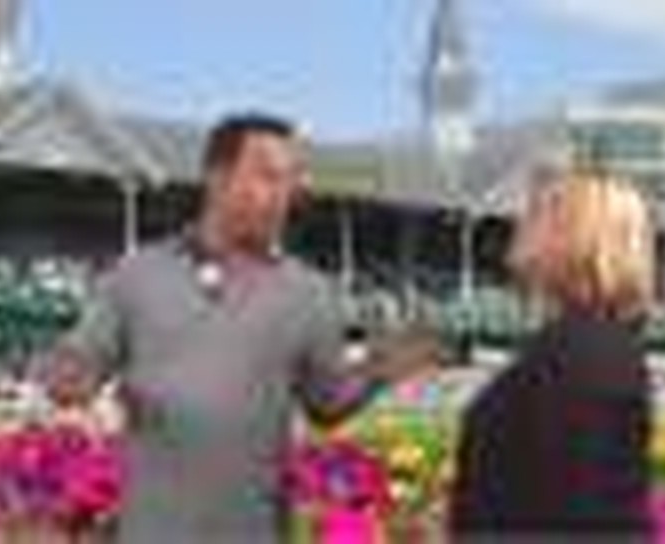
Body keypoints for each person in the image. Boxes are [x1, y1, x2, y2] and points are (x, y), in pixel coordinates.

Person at [42, 113, 431, 543]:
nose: (283, 194)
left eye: (289, 180)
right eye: (267, 176)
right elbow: (81, 359)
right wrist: (67, 371)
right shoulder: (138, 275)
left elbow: (326, 404)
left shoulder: (309, 293)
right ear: (217, 178)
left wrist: (378, 370)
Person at [448, 171, 655, 539]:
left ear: (574, 234)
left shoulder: (586, 353)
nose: (520, 224)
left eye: (537, 213)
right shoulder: (581, 343)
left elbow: (596, 517)